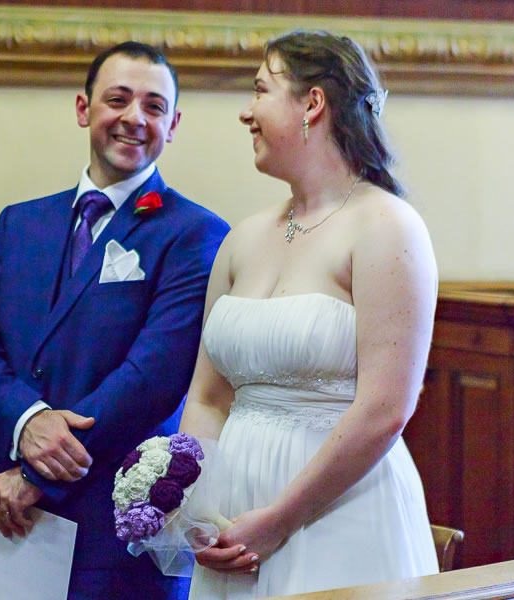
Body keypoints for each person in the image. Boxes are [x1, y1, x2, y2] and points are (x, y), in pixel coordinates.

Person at [0, 41, 229, 600]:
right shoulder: (20, 222)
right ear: (84, 109)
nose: (134, 118)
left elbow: (154, 375)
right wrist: (26, 422)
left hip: (113, 518)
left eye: (153, 106)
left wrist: (39, 474)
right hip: (5, 503)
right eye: (117, 100)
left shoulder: (196, 233)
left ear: (172, 125)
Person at [178, 30, 440, 598]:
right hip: (232, 520)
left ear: (312, 103)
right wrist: (196, 505)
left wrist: (280, 519)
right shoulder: (241, 239)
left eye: (260, 90)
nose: (246, 112)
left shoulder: (386, 226)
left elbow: (385, 408)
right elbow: (207, 397)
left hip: (337, 513)